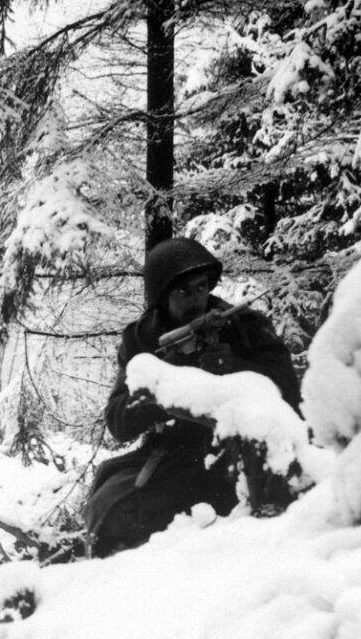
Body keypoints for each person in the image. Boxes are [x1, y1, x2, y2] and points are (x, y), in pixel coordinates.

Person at [83, 237, 301, 557]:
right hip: (174, 456)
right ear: (161, 297)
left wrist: (236, 368)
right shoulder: (143, 338)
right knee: (111, 512)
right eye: (183, 291)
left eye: (201, 287)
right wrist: (164, 384)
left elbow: (289, 394)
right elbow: (118, 421)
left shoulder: (245, 326)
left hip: (241, 453)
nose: (196, 299)